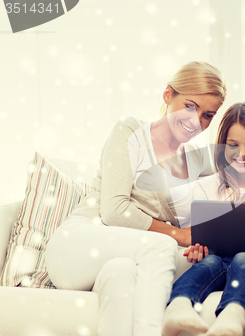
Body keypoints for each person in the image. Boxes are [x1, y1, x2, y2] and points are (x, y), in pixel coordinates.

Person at [44, 61, 227, 336]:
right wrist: (179, 234)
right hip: (78, 244)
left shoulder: (195, 164)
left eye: (207, 115)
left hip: (116, 259)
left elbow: (242, 176)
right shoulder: (130, 131)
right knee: (162, 246)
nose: (196, 121)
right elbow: (115, 211)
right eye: (190, 106)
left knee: (122, 275)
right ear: (168, 95)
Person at [162, 102, 245, 336]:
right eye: (233, 146)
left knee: (244, 258)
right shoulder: (206, 186)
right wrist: (197, 250)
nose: (242, 154)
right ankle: (178, 308)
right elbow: (199, 236)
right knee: (210, 261)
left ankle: (232, 319)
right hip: (218, 263)